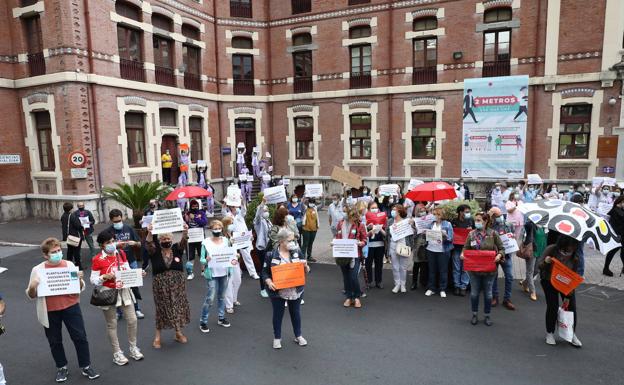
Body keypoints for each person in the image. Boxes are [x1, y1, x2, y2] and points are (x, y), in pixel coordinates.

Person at [26, 238, 99, 382]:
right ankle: (61, 367)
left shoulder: (69, 265)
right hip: (50, 311)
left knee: (80, 337)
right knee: (55, 341)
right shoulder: (38, 270)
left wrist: (79, 279)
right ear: (45, 255)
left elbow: (79, 288)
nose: (58, 254)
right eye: (54, 252)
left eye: (59, 250)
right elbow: (31, 295)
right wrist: (33, 286)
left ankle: (86, 365)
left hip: (71, 307)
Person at [91, 231, 144, 365]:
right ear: (101, 245)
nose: (112, 244)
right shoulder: (97, 259)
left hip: (124, 289)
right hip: (107, 291)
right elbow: (93, 280)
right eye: (108, 242)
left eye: (113, 241)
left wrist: (138, 274)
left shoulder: (121, 254)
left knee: (132, 319)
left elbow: (127, 270)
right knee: (112, 323)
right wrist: (104, 277)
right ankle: (117, 352)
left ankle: (133, 348)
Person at [144, 225, 191, 349]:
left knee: (177, 307)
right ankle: (158, 336)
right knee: (162, 309)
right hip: (161, 285)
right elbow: (149, 243)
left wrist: (185, 230)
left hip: (177, 284)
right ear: (159, 241)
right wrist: (149, 232)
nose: (166, 241)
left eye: (168, 239)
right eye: (163, 239)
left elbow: (184, 240)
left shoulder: (177, 249)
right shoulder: (154, 251)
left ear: (171, 239)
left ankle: (178, 333)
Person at [262, 228, 309, 349]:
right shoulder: (271, 254)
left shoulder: (297, 251)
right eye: (290, 240)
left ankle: (298, 335)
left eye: (294, 240)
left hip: (295, 289)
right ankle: (277, 338)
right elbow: (264, 272)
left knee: (296, 313)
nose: (293, 242)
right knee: (278, 314)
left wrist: (306, 266)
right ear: (281, 241)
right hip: (278, 291)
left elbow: (305, 269)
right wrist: (269, 281)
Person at [461, 212, 504, 326]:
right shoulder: (471, 234)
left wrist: (499, 255)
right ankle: (474, 314)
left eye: (479, 220)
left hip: (489, 270)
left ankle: (487, 315)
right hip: (474, 270)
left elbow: (501, 248)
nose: (477, 222)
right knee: (474, 293)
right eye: (476, 220)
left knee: (488, 294)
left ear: (485, 221)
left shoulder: (493, 234)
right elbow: (465, 247)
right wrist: (462, 254)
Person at [539, 235, 583, 347]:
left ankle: (572, 334)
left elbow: (574, 275)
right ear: (562, 245)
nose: (569, 251)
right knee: (553, 306)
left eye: (572, 248)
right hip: (549, 280)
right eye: (567, 248)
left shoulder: (575, 257)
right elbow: (539, 265)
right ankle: (549, 333)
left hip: (566, 284)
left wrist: (569, 296)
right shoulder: (551, 249)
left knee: (571, 307)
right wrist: (546, 262)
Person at [106, 209, 144, 319]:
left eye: (119, 220)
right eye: (115, 221)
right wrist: (116, 245)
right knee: (117, 286)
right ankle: (119, 311)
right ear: (111, 220)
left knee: (133, 286)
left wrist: (135, 243)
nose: (118, 223)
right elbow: (104, 248)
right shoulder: (108, 232)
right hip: (116, 263)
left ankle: (136, 309)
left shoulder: (129, 228)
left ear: (122, 218)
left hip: (131, 261)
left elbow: (139, 244)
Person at [199, 220, 232, 332]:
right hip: (212, 273)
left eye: (219, 228)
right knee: (210, 298)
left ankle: (221, 318)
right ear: (211, 229)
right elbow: (201, 259)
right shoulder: (206, 242)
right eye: (215, 228)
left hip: (224, 272)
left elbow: (231, 254)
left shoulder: (226, 240)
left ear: (222, 229)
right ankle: (203, 321)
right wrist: (206, 260)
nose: (217, 230)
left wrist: (235, 256)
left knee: (222, 296)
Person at [334, 208, 367, 308]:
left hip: (355, 254)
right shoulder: (340, 223)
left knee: (353, 276)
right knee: (346, 277)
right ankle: (349, 297)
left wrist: (362, 243)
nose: (353, 219)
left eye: (355, 217)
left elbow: (365, 238)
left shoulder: (360, 225)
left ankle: (356, 297)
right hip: (342, 254)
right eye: (351, 217)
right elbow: (337, 236)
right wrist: (334, 242)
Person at [223, 196, 260, 280]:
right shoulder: (228, 215)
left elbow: (244, 210)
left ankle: (253, 273)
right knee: (234, 255)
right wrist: (225, 202)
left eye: (235, 206)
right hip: (233, 238)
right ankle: (238, 272)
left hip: (242, 237)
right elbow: (223, 212)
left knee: (247, 255)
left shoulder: (240, 213)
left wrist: (242, 200)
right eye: (232, 206)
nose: (233, 207)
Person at [488, 207, 516, 310]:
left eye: (501, 215)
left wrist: (513, 238)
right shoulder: (489, 226)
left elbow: (513, 238)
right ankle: (495, 297)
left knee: (509, 277)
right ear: (493, 216)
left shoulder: (508, 225)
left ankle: (507, 299)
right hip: (494, 256)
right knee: (493, 277)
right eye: (497, 216)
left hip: (506, 255)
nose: (500, 217)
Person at [424, 207, 453, 297]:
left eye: (437, 214)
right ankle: (431, 288)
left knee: (443, 270)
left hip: (442, 250)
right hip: (431, 249)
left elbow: (451, 239)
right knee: (432, 270)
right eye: (434, 214)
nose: (435, 216)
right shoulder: (431, 224)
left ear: (442, 216)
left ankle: (442, 289)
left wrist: (445, 235)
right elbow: (426, 236)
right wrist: (424, 234)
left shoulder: (447, 224)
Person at [387, 204, 415, 293]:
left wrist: (412, 225)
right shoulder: (390, 221)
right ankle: (397, 284)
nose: (392, 211)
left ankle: (403, 284)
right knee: (395, 267)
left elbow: (413, 233)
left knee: (403, 267)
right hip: (393, 245)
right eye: (392, 209)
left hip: (403, 245)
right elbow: (387, 234)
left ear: (399, 211)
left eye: (394, 210)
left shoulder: (406, 221)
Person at [451, 205, 473, 296]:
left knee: (465, 268)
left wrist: (472, 230)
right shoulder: (454, 221)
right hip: (456, 248)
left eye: (469, 212)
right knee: (456, 268)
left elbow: (476, 232)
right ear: (460, 212)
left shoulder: (471, 221)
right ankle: (456, 285)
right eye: (466, 211)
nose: (468, 214)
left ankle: (463, 286)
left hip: (467, 248)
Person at [365, 201, 387, 289]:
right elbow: (362, 231)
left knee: (379, 264)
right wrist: (368, 227)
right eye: (372, 208)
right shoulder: (365, 218)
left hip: (380, 244)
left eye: (376, 207)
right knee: (368, 264)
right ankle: (369, 281)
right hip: (369, 245)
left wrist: (380, 228)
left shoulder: (382, 217)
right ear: (368, 209)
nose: (375, 209)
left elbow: (386, 232)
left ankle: (379, 281)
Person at [222, 216, 242, 314]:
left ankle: (234, 299)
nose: (233, 224)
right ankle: (229, 305)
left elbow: (239, 245)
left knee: (238, 280)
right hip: (226, 263)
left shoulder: (233, 235)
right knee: (229, 283)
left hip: (235, 261)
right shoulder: (222, 237)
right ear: (226, 225)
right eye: (231, 223)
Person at [255, 198, 273, 297]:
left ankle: (269, 285)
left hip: (270, 248)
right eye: (264, 211)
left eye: (267, 211)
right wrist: (262, 203)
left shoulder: (268, 221)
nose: (266, 212)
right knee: (263, 268)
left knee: (270, 268)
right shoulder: (258, 222)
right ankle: (263, 289)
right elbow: (258, 214)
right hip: (262, 248)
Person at [184, 199, 207, 280]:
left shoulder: (202, 213)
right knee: (190, 256)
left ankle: (203, 271)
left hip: (200, 237)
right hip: (191, 238)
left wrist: (195, 218)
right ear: (190, 206)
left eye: (196, 206)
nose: (195, 207)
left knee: (202, 255)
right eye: (193, 206)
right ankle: (190, 273)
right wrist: (186, 220)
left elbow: (204, 223)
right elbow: (184, 224)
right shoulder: (187, 214)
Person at [603, 195, 624, 276]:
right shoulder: (615, 211)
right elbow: (614, 224)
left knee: (623, 252)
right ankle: (606, 268)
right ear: (621, 202)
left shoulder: (621, 210)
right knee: (613, 251)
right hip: (618, 235)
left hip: (621, 234)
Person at [411, 205, 429, 290]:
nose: (423, 212)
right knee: (416, 264)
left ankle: (423, 281)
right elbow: (412, 236)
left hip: (427, 244)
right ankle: (414, 282)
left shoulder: (429, 220)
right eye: (421, 211)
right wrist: (414, 228)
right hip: (417, 245)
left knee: (425, 264)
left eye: (424, 211)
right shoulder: (414, 221)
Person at [61, 202, 83, 270]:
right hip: (75, 236)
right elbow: (78, 226)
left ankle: (68, 265)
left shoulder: (63, 216)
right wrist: (82, 226)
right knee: (77, 251)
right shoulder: (72, 216)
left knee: (70, 251)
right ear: (71, 209)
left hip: (68, 236)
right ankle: (79, 266)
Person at [301, 198, 320, 263]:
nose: (312, 203)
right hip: (306, 229)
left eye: (313, 202)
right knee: (305, 243)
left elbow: (322, 205)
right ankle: (302, 257)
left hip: (314, 229)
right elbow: (301, 203)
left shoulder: (315, 208)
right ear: (308, 202)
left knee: (310, 243)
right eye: (310, 202)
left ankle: (309, 256)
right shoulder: (305, 208)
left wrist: (322, 197)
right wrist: (304, 197)